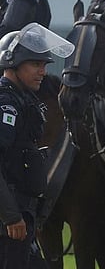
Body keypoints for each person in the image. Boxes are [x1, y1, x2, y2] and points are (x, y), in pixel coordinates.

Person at [0, 22, 74, 268]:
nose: (42, 71)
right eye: (35, 64)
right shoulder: (6, 104)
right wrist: (11, 217)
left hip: (21, 220)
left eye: (44, 65)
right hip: (9, 225)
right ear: (12, 64)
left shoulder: (24, 101)